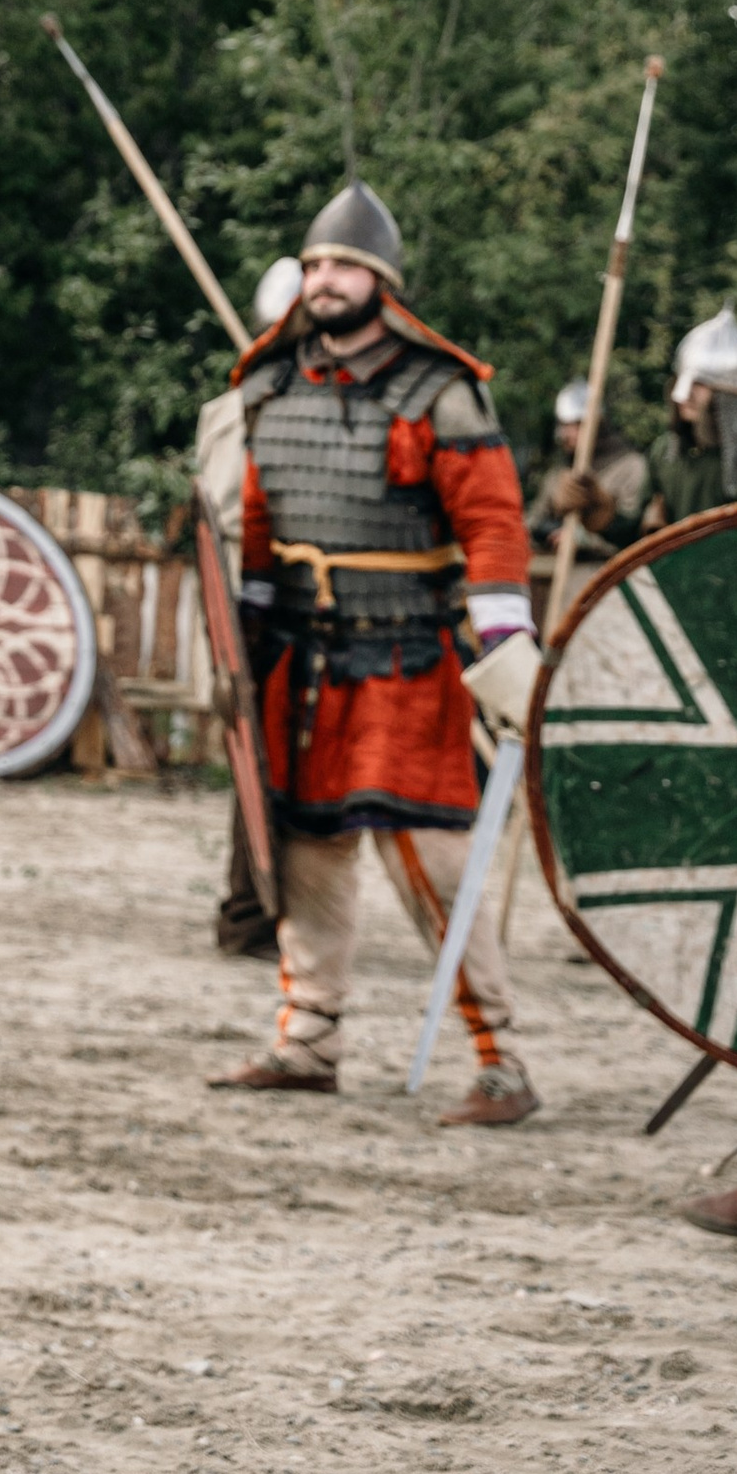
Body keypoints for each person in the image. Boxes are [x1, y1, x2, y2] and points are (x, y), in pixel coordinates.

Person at [209, 183, 543, 1127]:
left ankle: (501, 1060)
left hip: (406, 661)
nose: (325, 281)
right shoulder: (270, 385)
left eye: (344, 266)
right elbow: (259, 529)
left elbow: (492, 522)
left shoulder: (438, 391)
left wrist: (506, 639)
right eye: (314, 265)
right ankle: (308, 1042)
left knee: (434, 863)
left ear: (382, 282)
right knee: (310, 854)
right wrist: (249, 638)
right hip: (305, 663)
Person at [202, 254, 297, 958]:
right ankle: (248, 910)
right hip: (252, 602)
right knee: (257, 762)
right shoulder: (240, 413)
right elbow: (229, 511)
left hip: (291, 601)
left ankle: (270, 906)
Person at [634, 310, 737, 530]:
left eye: (700, 384)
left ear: (728, 397)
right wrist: (599, 509)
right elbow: (629, 536)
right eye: (683, 380)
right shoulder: (665, 454)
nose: (686, 393)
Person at [523, 378, 650, 591]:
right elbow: (533, 522)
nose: (567, 434)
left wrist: (584, 539)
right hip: (559, 582)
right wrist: (549, 533)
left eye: (577, 425)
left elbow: (635, 535)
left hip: (610, 584)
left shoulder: (631, 467)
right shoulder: (559, 473)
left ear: (598, 424)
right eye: (564, 425)